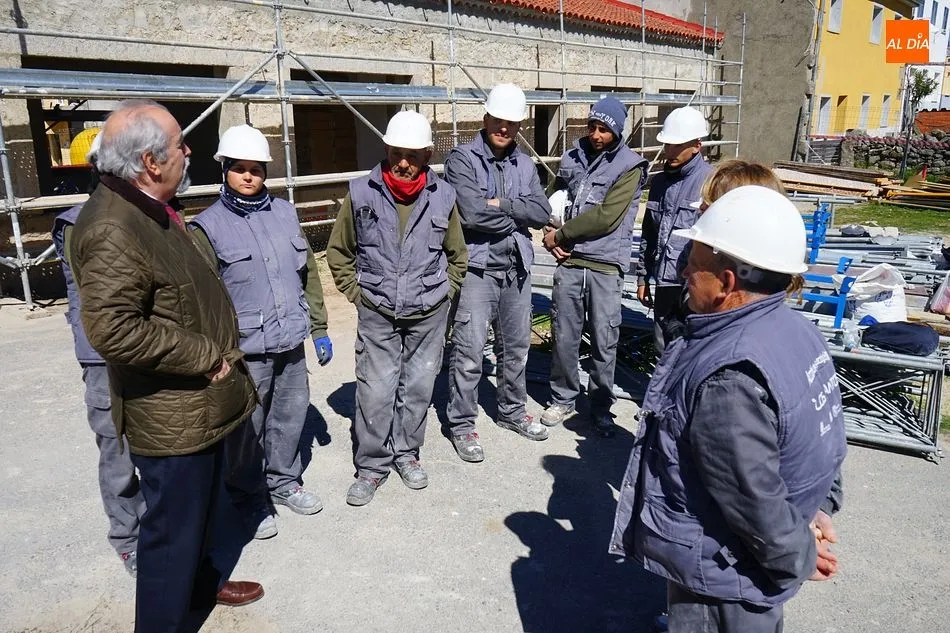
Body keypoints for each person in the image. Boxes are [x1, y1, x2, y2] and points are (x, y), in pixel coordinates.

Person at [610, 185, 847, 633]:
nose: (683, 272)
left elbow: (753, 499)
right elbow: (823, 441)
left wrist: (798, 556)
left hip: (723, 575)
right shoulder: (795, 330)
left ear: (727, 283)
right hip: (754, 559)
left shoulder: (730, 376)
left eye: (694, 263)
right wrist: (816, 511)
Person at [69, 99, 264, 633]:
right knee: (171, 534)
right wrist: (205, 356)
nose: (189, 151)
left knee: (200, 517)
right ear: (151, 162)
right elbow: (113, 329)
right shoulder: (114, 226)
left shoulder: (150, 207)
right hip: (172, 414)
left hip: (198, 405)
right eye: (180, 143)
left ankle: (200, 587)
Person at [189, 125, 331, 540]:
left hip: (290, 337)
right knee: (246, 427)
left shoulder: (285, 213)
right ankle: (248, 495)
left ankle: (283, 481)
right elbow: (200, 301)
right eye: (240, 169)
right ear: (225, 171)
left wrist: (319, 327)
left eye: (256, 169)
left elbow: (308, 274)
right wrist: (212, 355)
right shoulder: (206, 228)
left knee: (291, 413)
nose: (249, 176)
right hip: (244, 350)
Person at [327, 110, 467, 506]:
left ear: (426, 156)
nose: (402, 164)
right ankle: (372, 467)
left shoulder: (444, 196)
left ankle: (407, 454)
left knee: (418, 388)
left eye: (412, 156)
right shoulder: (362, 193)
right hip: (378, 310)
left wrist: (445, 293)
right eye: (396, 154)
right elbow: (339, 251)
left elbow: (457, 254)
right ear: (386, 150)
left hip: (428, 312)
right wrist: (358, 294)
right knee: (375, 391)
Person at [443, 83, 552, 463]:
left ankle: (511, 411)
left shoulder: (525, 164)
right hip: (477, 268)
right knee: (470, 351)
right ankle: (461, 425)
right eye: (499, 120)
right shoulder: (461, 159)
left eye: (512, 123)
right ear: (486, 117)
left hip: (516, 266)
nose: (504, 128)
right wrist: (518, 213)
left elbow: (542, 212)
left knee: (516, 347)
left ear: (520, 125)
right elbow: (471, 214)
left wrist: (501, 204)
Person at [52, 132, 145, 577]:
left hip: (149, 347)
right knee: (117, 449)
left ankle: (164, 528)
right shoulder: (79, 223)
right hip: (104, 358)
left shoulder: (146, 214)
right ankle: (128, 537)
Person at [539, 96, 648, 438]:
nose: (596, 135)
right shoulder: (572, 157)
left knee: (604, 340)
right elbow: (553, 198)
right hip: (570, 262)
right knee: (564, 335)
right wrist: (548, 230)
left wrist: (560, 235)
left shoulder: (630, 166)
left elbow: (607, 217)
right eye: (592, 127)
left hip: (605, 264)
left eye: (604, 129)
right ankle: (563, 399)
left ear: (617, 131)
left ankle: (601, 407)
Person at [635, 106, 713, 352]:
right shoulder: (658, 183)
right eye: (667, 144)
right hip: (665, 283)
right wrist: (643, 277)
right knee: (664, 348)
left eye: (677, 145)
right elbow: (649, 235)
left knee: (695, 349)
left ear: (697, 145)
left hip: (698, 284)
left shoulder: (711, 182)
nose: (669, 151)